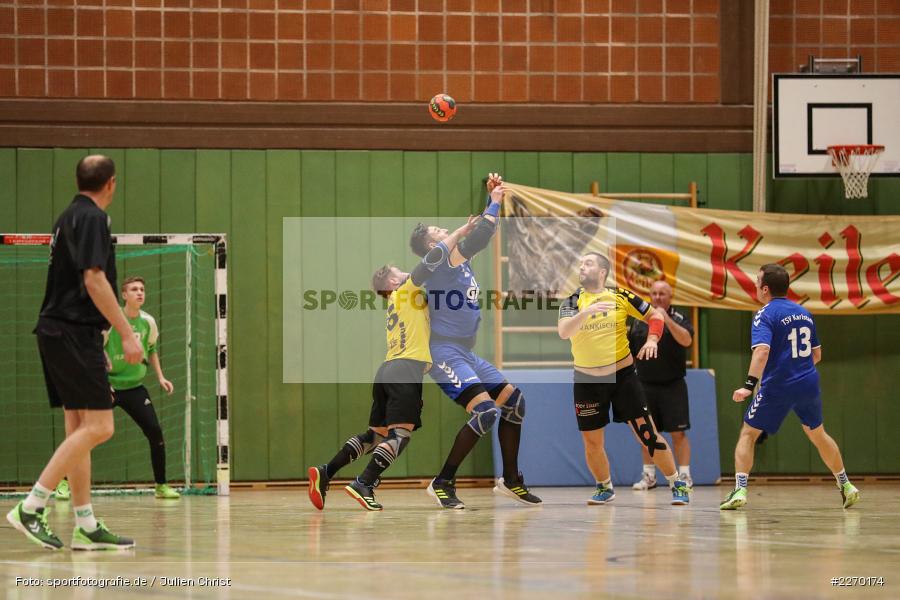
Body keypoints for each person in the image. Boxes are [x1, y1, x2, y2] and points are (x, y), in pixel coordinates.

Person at [6, 155, 140, 550]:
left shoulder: (67, 217)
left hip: (61, 331)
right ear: (111, 184)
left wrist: (97, 337)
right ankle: (31, 506)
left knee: (79, 429)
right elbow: (94, 279)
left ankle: (85, 524)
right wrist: (127, 334)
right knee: (101, 427)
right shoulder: (95, 218)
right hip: (70, 334)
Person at [307, 219, 474, 511]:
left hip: (387, 370)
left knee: (376, 435)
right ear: (395, 282)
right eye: (402, 273)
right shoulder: (408, 289)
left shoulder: (395, 301)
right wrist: (459, 233)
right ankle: (365, 482)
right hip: (406, 369)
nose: (409, 273)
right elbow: (433, 260)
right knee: (401, 436)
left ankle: (326, 471)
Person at [409, 174, 541, 510]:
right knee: (484, 411)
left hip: (465, 352)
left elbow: (482, 233)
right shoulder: (440, 263)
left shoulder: (458, 259)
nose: (444, 230)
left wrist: (491, 199)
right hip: (443, 352)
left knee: (514, 402)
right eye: (437, 232)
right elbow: (482, 233)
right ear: (431, 245)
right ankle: (443, 482)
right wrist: (495, 201)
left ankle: (511, 480)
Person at [720, 264, 860, 510]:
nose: (755, 285)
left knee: (748, 433)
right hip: (807, 381)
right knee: (818, 434)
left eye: (756, 281)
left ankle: (740, 489)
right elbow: (817, 355)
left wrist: (748, 385)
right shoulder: (803, 312)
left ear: (765, 289)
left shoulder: (765, 314)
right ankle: (846, 485)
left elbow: (762, 351)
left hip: (778, 384)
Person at [558, 253, 690, 506]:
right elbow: (564, 331)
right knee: (592, 441)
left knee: (647, 434)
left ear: (602, 271)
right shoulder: (573, 302)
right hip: (587, 380)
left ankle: (677, 484)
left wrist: (652, 339)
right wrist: (587, 312)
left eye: (588, 263)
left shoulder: (621, 296)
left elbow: (656, 317)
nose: (582, 267)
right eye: (580, 263)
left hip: (623, 378)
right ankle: (604, 488)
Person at [56, 276, 179, 501]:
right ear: (124, 295)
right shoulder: (111, 322)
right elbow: (95, 352)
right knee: (84, 433)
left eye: (142, 289)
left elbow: (151, 349)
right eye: (134, 289)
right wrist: (104, 384)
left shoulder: (148, 322)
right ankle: (64, 483)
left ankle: (161, 486)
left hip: (134, 387)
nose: (139, 293)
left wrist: (160, 376)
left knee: (155, 432)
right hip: (108, 385)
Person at [627, 280, 695, 490]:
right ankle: (649, 476)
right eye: (654, 293)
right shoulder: (640, 320)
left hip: (673, 385)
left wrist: (666, 320)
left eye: (662, 294)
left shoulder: (679, 318)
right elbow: (629, 349)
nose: (657, 297)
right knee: (647, 433)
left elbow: (687, 341)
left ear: (670, 297)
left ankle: (684, 476)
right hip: (644, 385)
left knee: (678, 434)